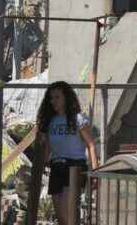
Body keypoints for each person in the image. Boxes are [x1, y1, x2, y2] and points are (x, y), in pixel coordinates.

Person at [36, 81, 99, 224]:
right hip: (56, 167)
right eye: (51, 98)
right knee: (60, 214)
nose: (53, 101)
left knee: (67, 210)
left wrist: (95, 172)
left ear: (66, 98)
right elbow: (48, 150)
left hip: (74, 167)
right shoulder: (51, 122)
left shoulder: (78, 119)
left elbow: (91, 144)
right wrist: (41, 165)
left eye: (57, 97)